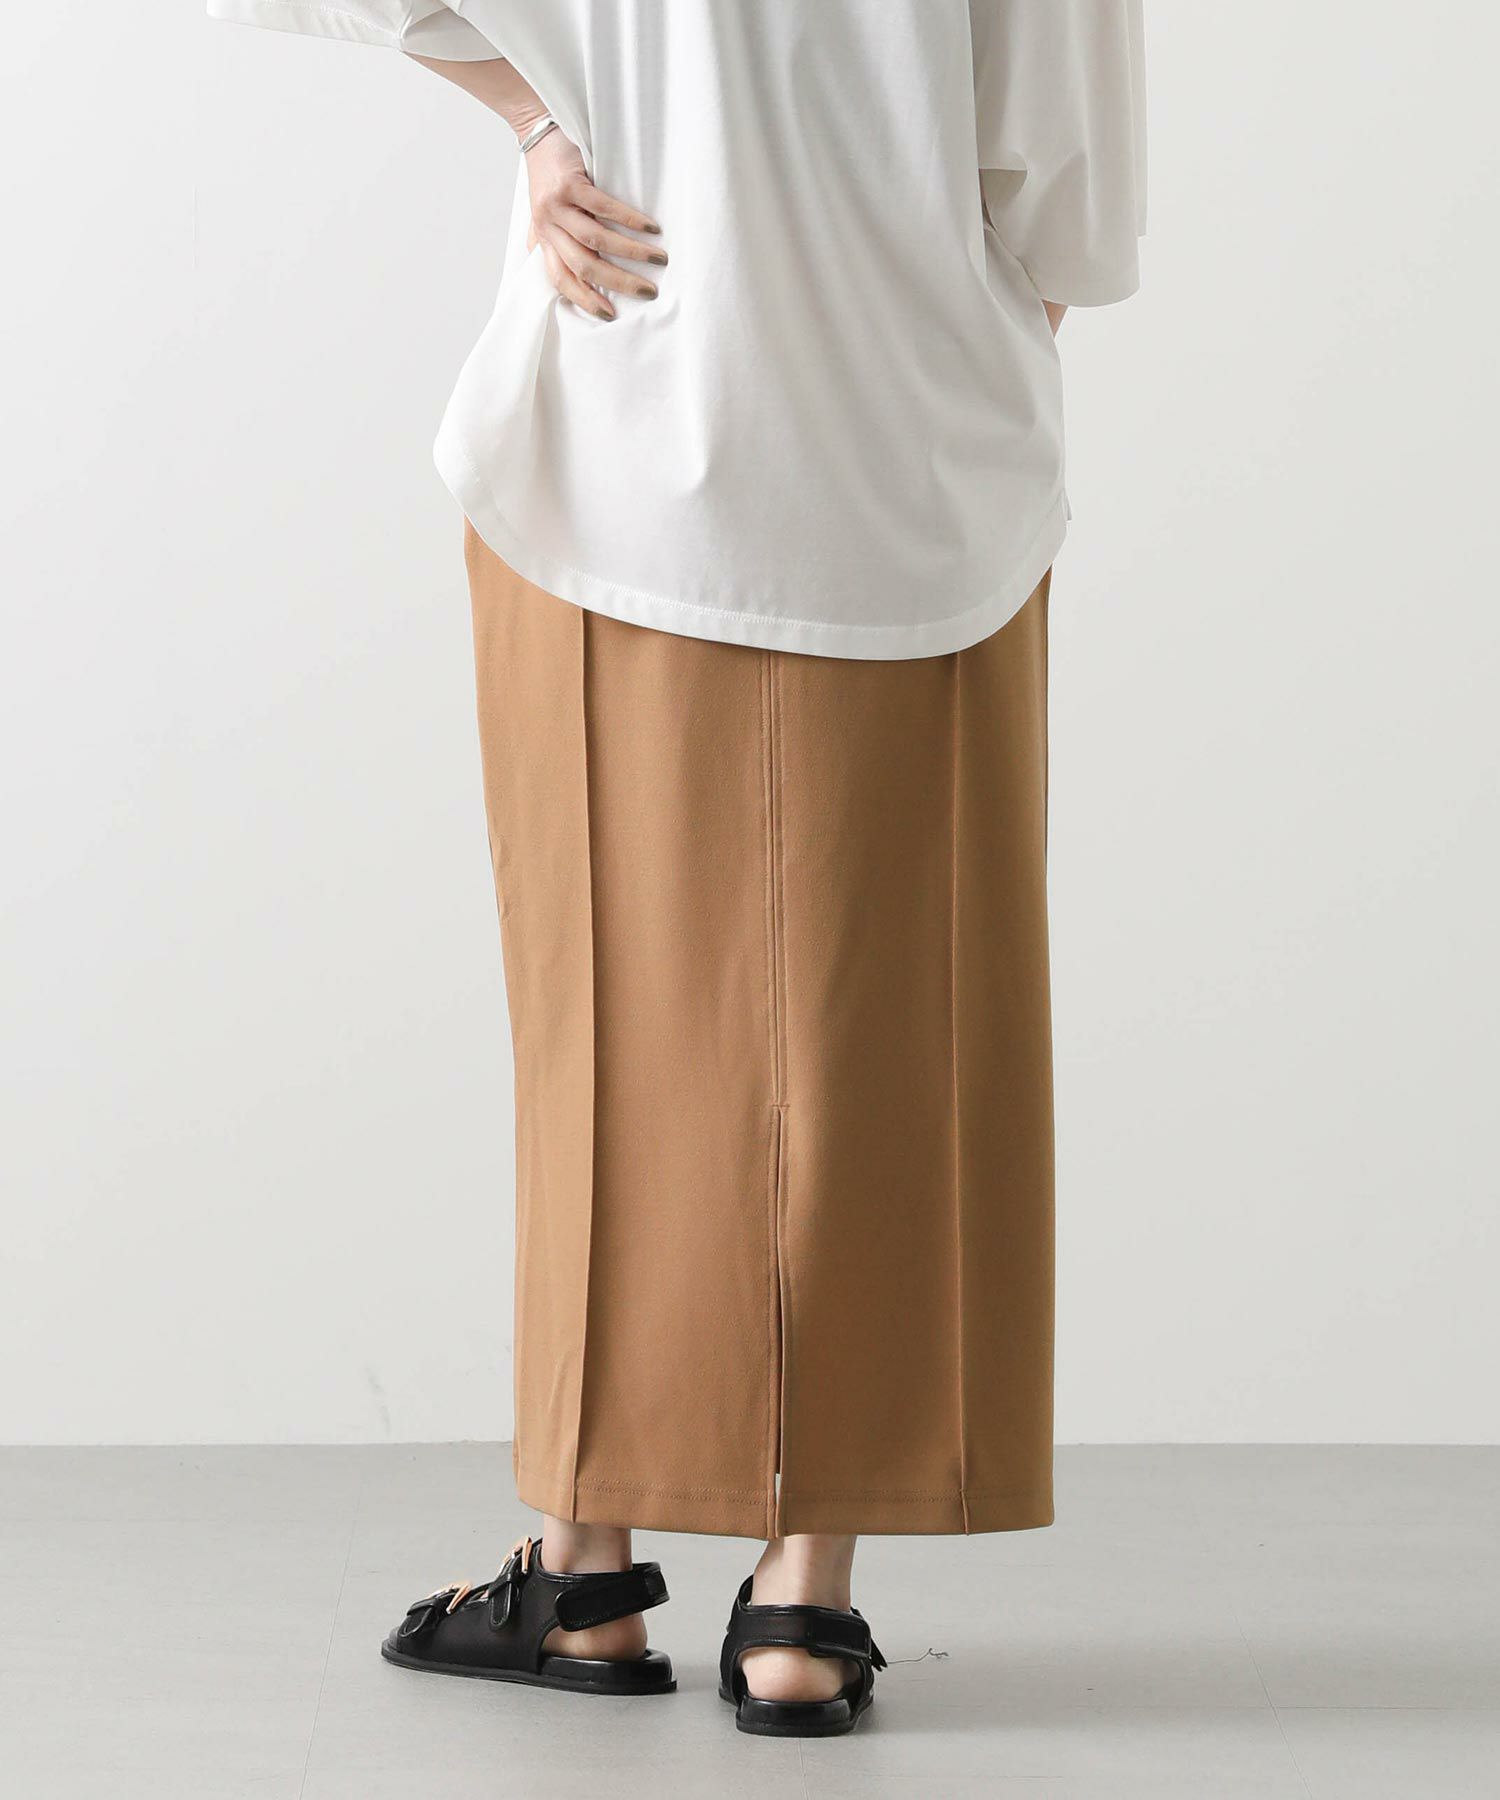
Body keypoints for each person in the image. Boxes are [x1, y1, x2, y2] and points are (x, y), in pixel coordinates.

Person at [208, 0, 1146, 1739]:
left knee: (612, 1028)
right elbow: (1063, 181)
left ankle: (585, 1572)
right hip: (905, 460)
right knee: (884, 1043)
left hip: (618, 421)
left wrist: (536, 119)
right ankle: (803, 1603)